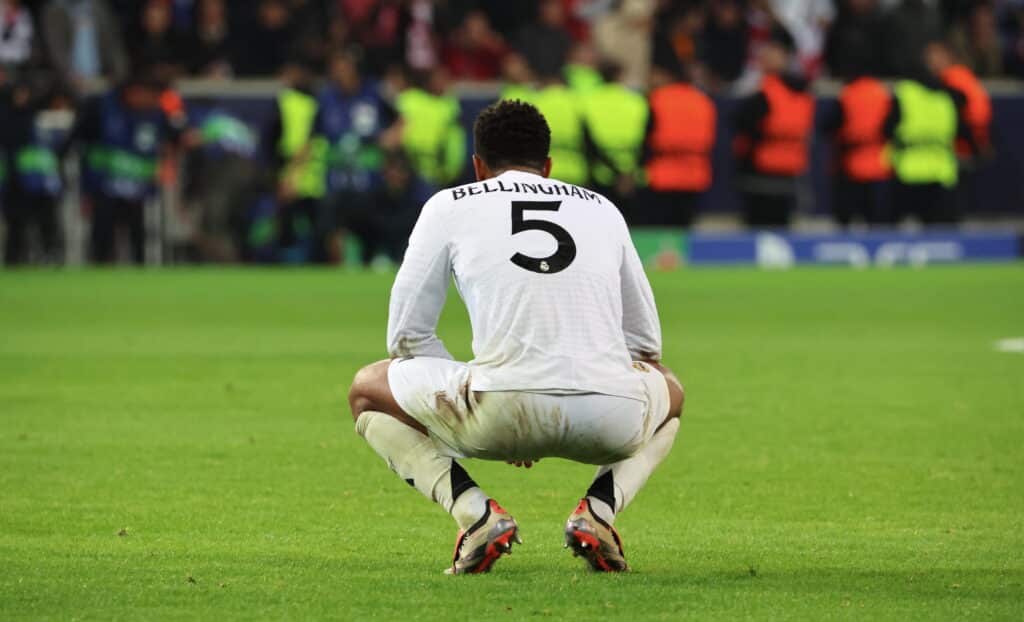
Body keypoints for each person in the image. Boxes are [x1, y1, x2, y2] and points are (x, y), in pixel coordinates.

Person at [347, 100, 685, 575]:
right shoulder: (604, 209)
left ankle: (475, 516)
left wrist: (490, 389)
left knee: (367, 388)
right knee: (671, 390)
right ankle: (599, 513)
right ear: (548, 166)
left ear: (478, 166)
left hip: (496, 408)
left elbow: (406, 337)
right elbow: (646, 344)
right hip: (609, 416)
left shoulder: (447, 206)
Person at [71, 71, 182, 264]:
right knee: (103, 234)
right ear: (135, 91)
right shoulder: (100, 108)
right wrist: (85, 188)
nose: (153, 101)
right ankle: (100, 269)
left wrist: (167, 162)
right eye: (151, 96)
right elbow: (78, 142)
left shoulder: (156, 113)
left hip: (137, 187)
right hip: (104, 185)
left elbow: (174, 139)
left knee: (138, 235)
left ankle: (139, 271)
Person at [312, 50, 401, 264]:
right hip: (336, 179)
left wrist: (387, 142)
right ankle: (338, 267)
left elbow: (401, 122)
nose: (338, 73)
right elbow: (314, 137)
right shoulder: (326, 98)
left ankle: (375, 259)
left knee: (372, 226)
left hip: (370, 179)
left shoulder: (375, 93)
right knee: (329, 225)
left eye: (342, 67)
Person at [733, 32, 814, 227]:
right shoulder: (801, 92)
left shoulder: (768, 93)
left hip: (762, 171)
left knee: (760, 230)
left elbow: (742, 122)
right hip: (788, 171)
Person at [883, 49, 966, 224]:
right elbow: (962, 131)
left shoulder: (905, 93)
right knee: (941, 233)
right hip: (937, 173)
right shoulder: (949, 96)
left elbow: (886, 130)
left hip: (912, 172)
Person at [262, 59, 324, 262]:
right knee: (300, 228)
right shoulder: (310, 103)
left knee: (304, 229)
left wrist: (286, 176)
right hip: (302, 175)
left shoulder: (291, 102)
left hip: (303, 175)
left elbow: (270, 143)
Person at [640, 61, 716, 227]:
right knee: (684, 229)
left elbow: (645, 137)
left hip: (662, 174)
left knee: (658, 229)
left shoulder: (657, 98)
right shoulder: (703, 101)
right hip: (694, 174)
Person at [1, 78, 68, 265]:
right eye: (18, 93)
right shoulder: (6, 119)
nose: (22, 98)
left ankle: (50, 258)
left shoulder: (39, 118)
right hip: (15, 182)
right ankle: (14, 260)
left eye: (25, 93)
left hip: (42, 182)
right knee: (16, 224)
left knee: (46, 223)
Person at [820, 65, 892, 226]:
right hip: (879, 166)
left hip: (851, 167)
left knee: (845, 223)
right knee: (878, 225)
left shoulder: (848, 94)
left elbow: (827, 126)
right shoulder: (882, 94)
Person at [578, 62, 647, 213]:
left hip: (602, 172)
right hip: (632, 174)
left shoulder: (588, 101)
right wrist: (627, 172)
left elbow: (587, 141)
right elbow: (647, 140)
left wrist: (615, 171)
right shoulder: (637, 101)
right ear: (620, 76)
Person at [394, 66, 466, 189]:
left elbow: (454, 140)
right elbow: (397, 130)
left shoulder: (451, 105)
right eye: (439, 79)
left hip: (441, 169)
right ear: (429, 80)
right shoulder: (411, 99)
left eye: (445, 79)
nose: (442, 83)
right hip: (410, 165)